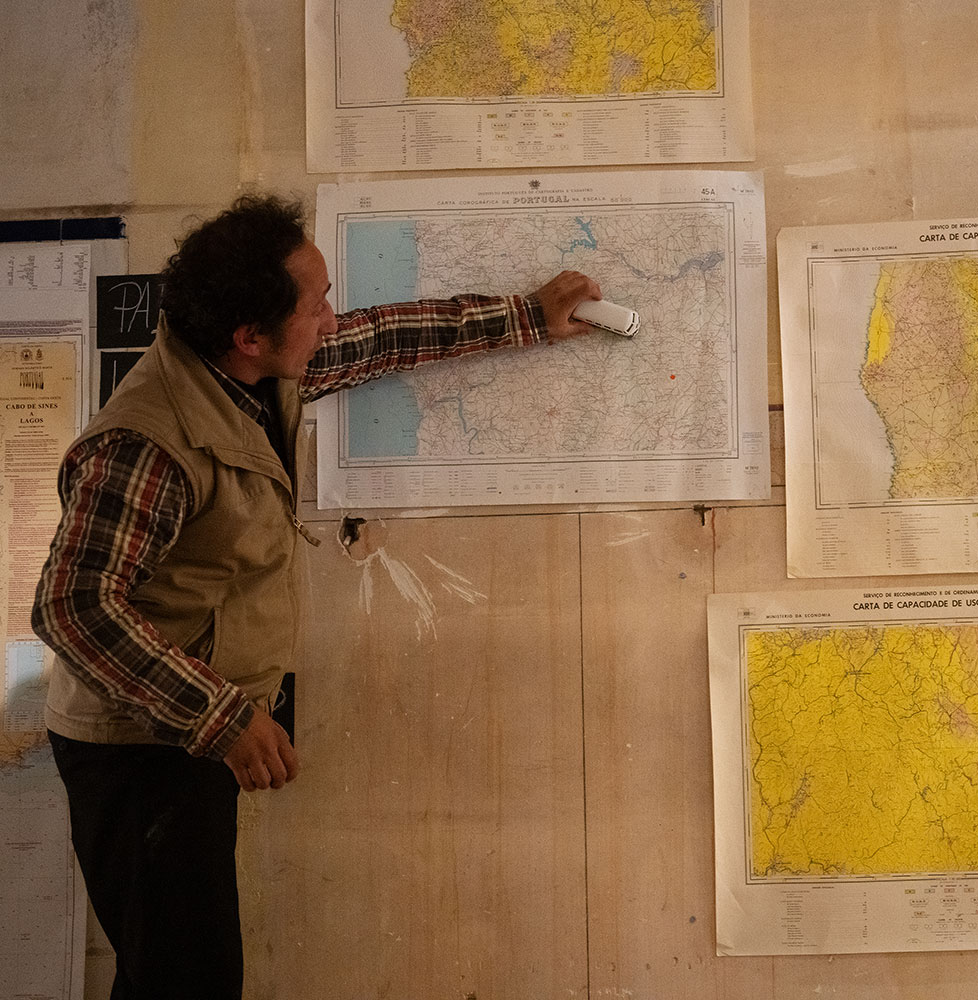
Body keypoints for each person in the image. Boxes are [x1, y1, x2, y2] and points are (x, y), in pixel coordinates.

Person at [30, 193, 601, 999]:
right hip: (138, 750)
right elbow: (75, 608)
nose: (332, 319)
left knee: (177, 973)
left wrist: (526, 317)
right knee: (185, 980)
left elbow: (382, 336)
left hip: (186, 726)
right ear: (250, 334)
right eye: (317, 305)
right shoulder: (147, 443)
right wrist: (223, 719)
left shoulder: (247, 374)